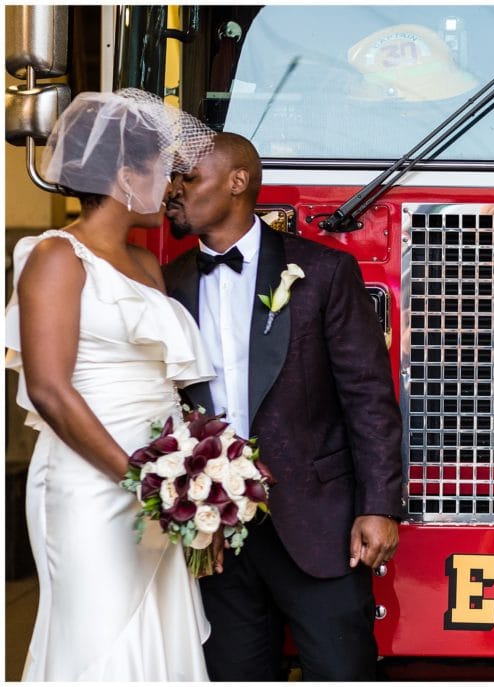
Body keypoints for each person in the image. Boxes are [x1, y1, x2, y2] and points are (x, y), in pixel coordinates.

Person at [162, 131, 403, 681]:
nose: (173, 190)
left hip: (321, 525)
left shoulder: (322, 272)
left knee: (342, 670)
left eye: (188, 178)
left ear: (237, 182)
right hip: (215, 529)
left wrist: (380, 505)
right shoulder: (168, 284)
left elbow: (368, 396)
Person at [4, 88, 216, 680]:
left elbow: (170, 387)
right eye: (161, 172)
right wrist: (140, 478)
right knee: (97, 640)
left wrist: (193, 481)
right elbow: (49, 388)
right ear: (125, 174)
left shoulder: (147, 265)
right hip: (90, 482)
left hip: (159, 483)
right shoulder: (54, 256)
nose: (170, 188)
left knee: (156, 633)